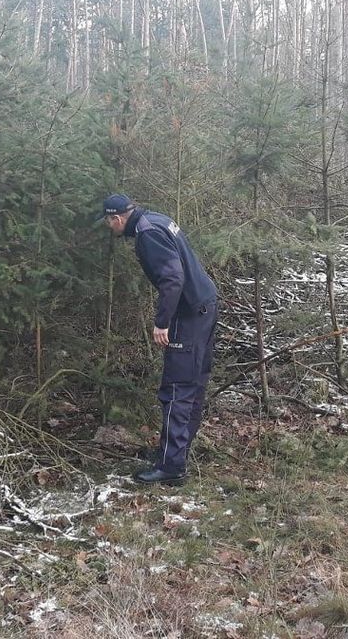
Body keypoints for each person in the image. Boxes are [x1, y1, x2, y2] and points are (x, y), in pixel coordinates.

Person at [98, 193, 218, 485]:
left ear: (117, 218)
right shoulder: (157, 220)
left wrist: (162, 322)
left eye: (108, 222)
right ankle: (175, 453)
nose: (109, 228)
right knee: (194, 382)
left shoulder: (147, 234)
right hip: (205, 305)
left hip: (187, 315)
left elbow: (173, 278)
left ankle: (171, 467)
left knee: (177, 388)